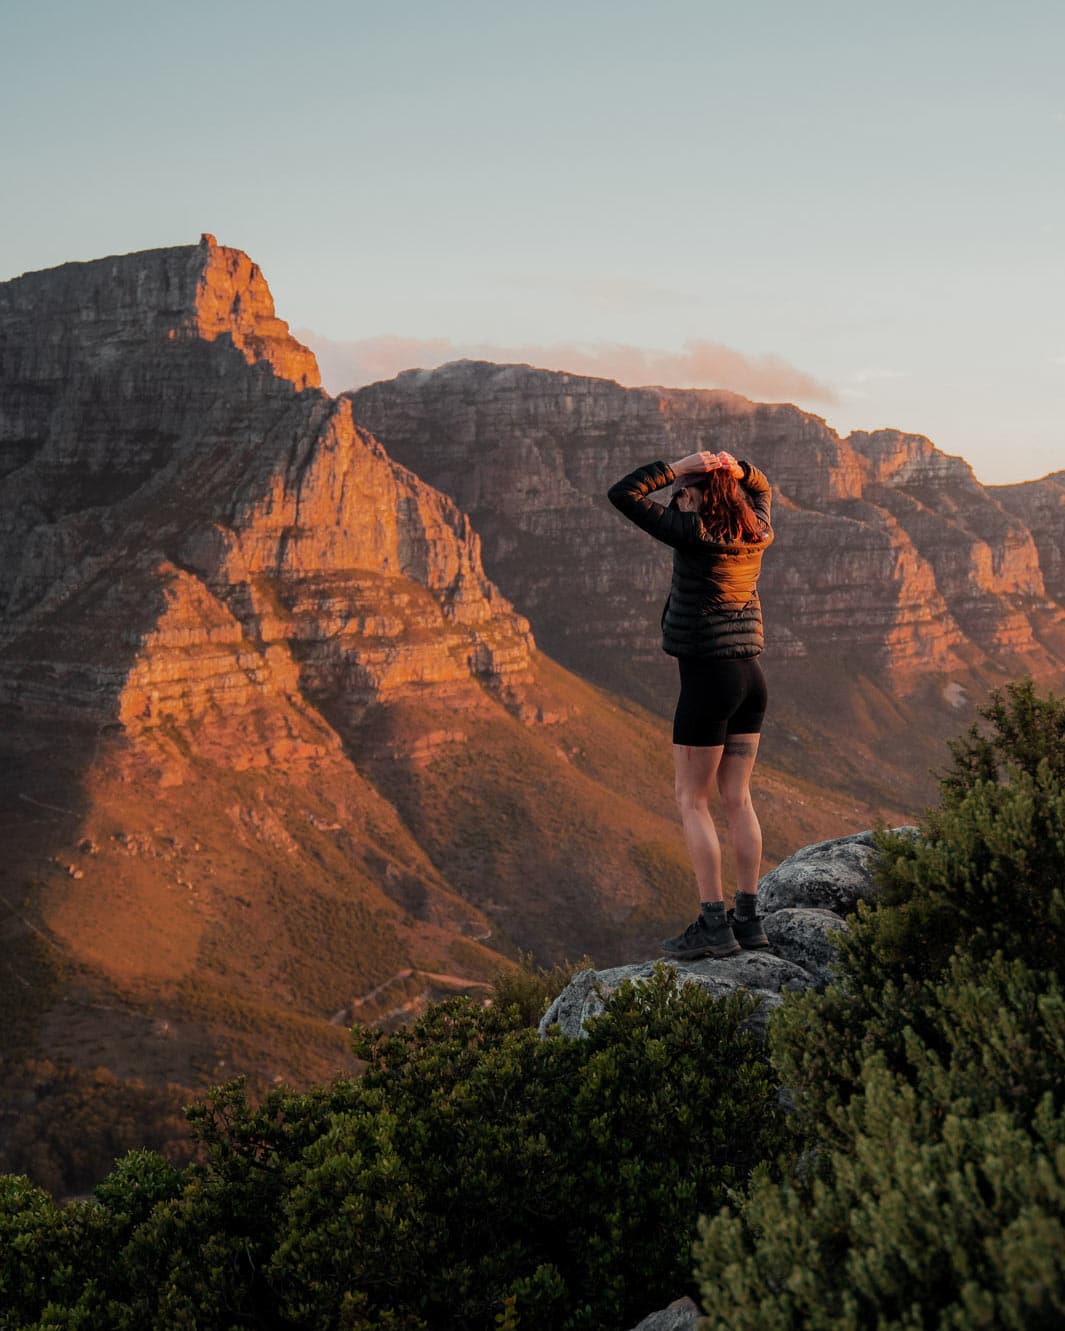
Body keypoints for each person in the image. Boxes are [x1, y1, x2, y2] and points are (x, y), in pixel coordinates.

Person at [607, 449, 774, 960]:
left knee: (692, 800)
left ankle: (712, 924)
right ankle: (748, 919)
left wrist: (679, 466)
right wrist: (738, 468)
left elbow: (624, 494)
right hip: (751, 678)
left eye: (682, 493)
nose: (676, 498)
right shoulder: (758, 530)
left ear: (699, 493)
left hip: (708, 680)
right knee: (738, 799)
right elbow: (763, 489)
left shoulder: (693, 532)